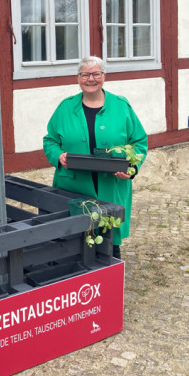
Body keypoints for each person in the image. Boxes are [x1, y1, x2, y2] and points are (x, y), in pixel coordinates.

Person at [43, 56, 148, 259]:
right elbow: (50, 141)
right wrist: (58, 155)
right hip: (73, 186)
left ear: (104, 76)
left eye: (96, 74)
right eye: (85, 74)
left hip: (111, 185)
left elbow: (139, 142)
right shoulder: (66, 108)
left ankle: (109, 277)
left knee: (108, 240)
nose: (90, 79)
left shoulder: (121, 106)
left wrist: (131, 169)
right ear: (78, 78)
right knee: (74, 239)